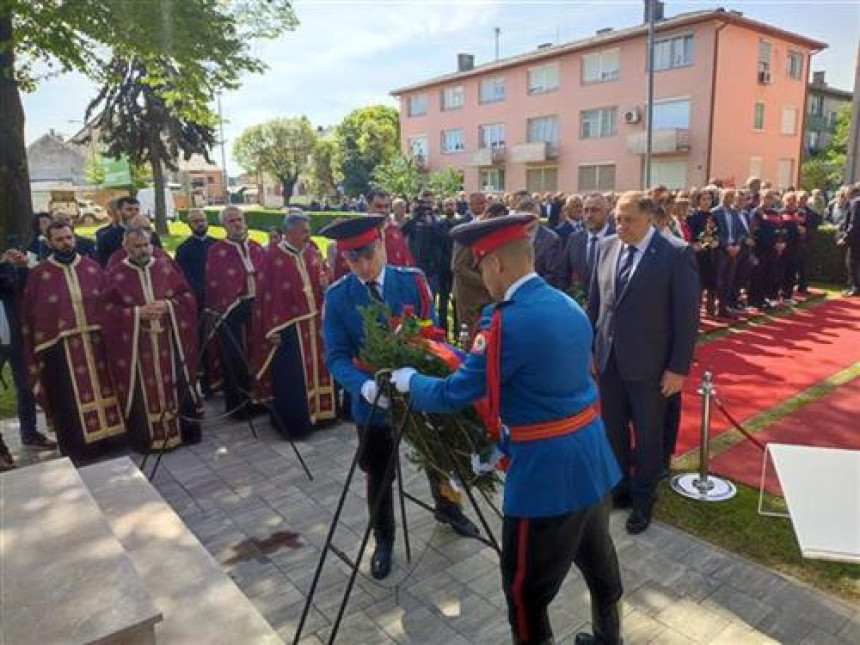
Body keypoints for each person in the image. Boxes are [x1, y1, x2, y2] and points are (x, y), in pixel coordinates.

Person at [389, 214, 623, 645]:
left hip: (544, 479)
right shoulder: (567, 303)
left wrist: (410, 381)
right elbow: (549, 392)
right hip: (590, 461)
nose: (483, 280)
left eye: (480, 269)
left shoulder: (505, 322)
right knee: (600, 566)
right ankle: (609, 640)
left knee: (524, 595)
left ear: (496, 264)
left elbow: (453, 393)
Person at [321, 215, 479, 581]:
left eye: (365, 255)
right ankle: (385, 539)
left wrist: (423, 369)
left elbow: (434, 334)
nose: (361, 266)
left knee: (440, 455)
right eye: (351, 260)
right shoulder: (338, 296)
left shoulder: (414, 282)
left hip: (419, 389)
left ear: (380, 244)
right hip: (371, 401)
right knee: (378, 472)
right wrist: (363, 386)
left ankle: (448, 508)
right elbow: (336, 357)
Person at [588, 192, 700, 534]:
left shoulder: (675, 254)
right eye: (617, 219)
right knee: (613, 431)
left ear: (649, 217)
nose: (621, 226)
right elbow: (595, 305)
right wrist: (590, 350)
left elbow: (686, 317)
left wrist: (678, 368)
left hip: (652, 367)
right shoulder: (606, 248)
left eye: (629, 219)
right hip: (609, 361)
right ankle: (619, 489)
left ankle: (643, 498)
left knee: (649, 436)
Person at [22, 222, 126, 463]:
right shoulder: (39, 275)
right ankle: (80, 449)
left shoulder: (92, 268)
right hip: (59, 350)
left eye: (69, 238)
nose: (65, 243)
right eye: (59, 240)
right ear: (49, 243)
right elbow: (31, 315)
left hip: (97, 343)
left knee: (106, 388)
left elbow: (110, 302)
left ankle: (112, 441)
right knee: (69, 400)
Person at [103, 228, 201, 451]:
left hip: (170, 340)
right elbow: (107, 311)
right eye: (137, 246)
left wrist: (167, 306)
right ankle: (149, 438)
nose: (143, 250)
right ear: (126, 248)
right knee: (144, 390)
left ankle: (182, 432)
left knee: (177, 382)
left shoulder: (165, 267)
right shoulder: (115, 274)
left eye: (146, 244)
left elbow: (187, 296)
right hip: (138, 346)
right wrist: (137, 313)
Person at [252, 210, 335, 439]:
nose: (308, 236)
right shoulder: (271, 256)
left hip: (316, 320)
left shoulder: (312, 251)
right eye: (304, 232)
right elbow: (264, 295)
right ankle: (297, 424)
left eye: (309, 231)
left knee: (321, 368)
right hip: (288, 327)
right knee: (294, 377)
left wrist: (326, 281)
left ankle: (322, 415)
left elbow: (323, 275)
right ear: (289, 232)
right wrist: (270, 329)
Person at [206, 206, 267, 416]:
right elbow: (217, 284)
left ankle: (261, 400)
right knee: (237, 359)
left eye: (239, 219)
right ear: (224, 225)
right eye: (232, 221)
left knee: (260, 355)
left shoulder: (258, 248)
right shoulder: (217, 251)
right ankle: (240, 406)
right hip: (232, 313)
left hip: (258, 311)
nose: (237, 224)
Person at [1, 248, 56, 453]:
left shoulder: (8, 265)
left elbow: (19, 288)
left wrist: (22, 268)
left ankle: (30, 434)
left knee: (26, 385)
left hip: (14, 334)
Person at [175, 208, 218, 396]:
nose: (200, 224)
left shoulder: (217, 245)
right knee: (204, 343)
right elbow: (183, 277)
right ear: (189, 225)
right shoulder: (183, 249)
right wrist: (201, 291)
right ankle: (207, 383)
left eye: (202, 220)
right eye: (195, 221)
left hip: (220, 301)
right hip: (199, 304)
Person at [330, 190, 414, 279]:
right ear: (368, 206)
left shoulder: (395, 230)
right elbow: (343, 266)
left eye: (387, 206)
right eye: (378, 206)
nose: (383, 210)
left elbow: (406, 259)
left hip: (395, 286)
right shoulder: (357, 232)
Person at [452, 201, 499, 337]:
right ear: (488, 216)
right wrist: (487, 281)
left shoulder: (491, 233)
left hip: (487, 299)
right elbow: (459, 267)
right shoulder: (467, 233)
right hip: (468, 298)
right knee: (467, 336)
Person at [562, 193, 614, 297]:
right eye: (586, 210)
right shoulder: (574, 239)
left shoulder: (618, 239)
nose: (589, 215)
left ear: (607, 213)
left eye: (595, 210)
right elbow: (564, 274)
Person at [510, 194, 566, 290]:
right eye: (522, 218)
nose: (525, 221)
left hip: (541, 292)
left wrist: (529, 289)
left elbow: (553, 273)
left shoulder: (551, 239)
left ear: (538, 217)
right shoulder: (511, 238)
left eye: (529, 218)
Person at [711, 188, 746, 317]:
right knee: (718, 280)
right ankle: (712, 307)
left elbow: (741, 232)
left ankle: (723, 307)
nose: (729, 199)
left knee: (729, 279)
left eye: (731, 197)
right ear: (721, 197)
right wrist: (727, 247)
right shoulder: (714, 213)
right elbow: (714, 233)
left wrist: (737, 245)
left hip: (734, 250)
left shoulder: (735, 213)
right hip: (721, 250)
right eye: (726, 196)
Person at [795, 191, 821, 295]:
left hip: (805, 242)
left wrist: (807, 231)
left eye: (804, 199)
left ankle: (803, 287)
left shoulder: (811, 213)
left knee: (804, 266)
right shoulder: (791, 211)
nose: (802, 201)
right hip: (792, 243)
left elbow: (814, 228)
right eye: (800, 199)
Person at [838, 184, 860, 296]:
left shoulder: (855, 203)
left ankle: (855, 288)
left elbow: (854, 223)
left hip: (856, 240)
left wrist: (845, 238)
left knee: (851, 263)